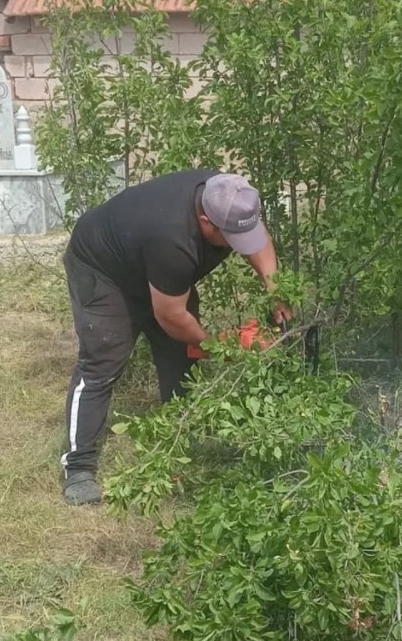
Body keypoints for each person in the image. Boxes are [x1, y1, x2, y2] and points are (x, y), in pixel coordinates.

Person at [60, 169, 290, 506]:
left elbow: (258, 238)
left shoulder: (232, 197)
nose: (236, 246)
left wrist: (275, 290)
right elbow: (171, 316)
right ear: (205, 221)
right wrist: (221, 347)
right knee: (102, 362)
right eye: (230, 238)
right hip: (104, 270)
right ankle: (78, 467)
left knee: (180, 356)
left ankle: (179, 440)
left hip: (157, 269)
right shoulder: (172, 238)